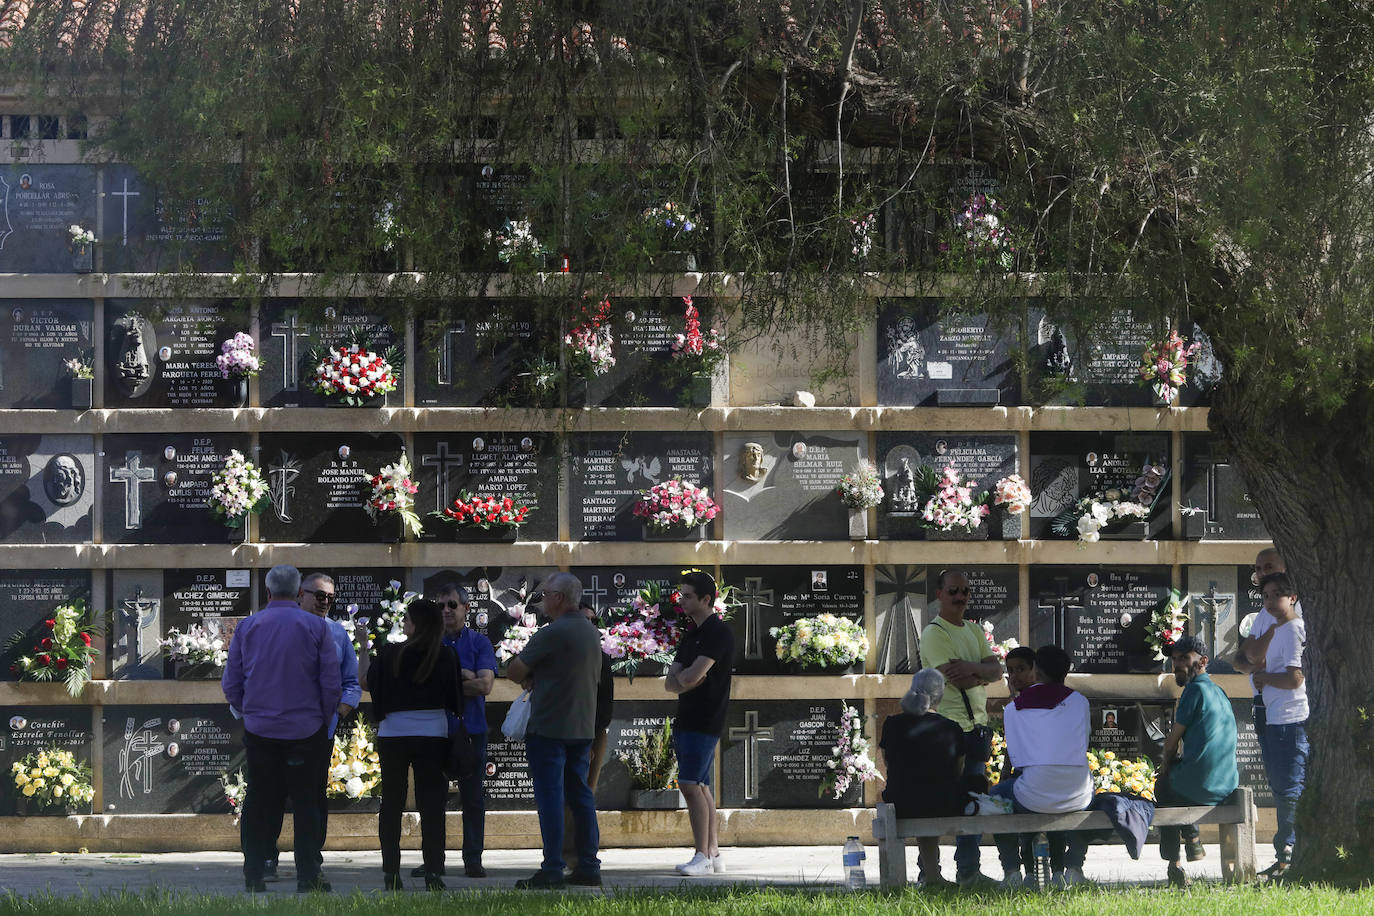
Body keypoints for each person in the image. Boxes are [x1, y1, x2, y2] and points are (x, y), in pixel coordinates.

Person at [221, 564, 341, 894]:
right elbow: (331, 684)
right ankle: (308, 875)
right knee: (307, 803)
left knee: (259, 799)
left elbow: (231, 683)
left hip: (261, 730)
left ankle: (254, 873)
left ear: (268, 592)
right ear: (300, 593)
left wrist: (251, 710)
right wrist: (322, 716)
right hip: (306, 730)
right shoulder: (317, 628)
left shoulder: (248, 627)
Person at [506, 572, 603, 889]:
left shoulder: (552, 632)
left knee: (550, 798)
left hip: (549, 726)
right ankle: (589, 864)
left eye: (546, 593)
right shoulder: (590, 632)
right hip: (582, 726)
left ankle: (552, 868)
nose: (542, 598)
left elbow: (514, 670)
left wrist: (532, 671)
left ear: (559, 598)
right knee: (581, 796)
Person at [264, 573, 361, 882]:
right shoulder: (274, 629)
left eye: (331, 598)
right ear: (299, 595)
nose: (326, 603)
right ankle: (267, 856)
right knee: (273, 794)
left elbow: (351, 683)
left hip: (319, 730)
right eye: (320, 596)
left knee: (314, 797)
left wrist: (339, 711)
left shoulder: (337, 634)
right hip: (277, 728)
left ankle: (310, 860)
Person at [368, 598, 463, 892]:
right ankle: (434, 872)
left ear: (418, 623)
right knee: (432, 805)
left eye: (408, 619)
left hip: (393, 733)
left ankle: (391, 873)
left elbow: (372, 685)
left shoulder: (390, 653)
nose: (404, 624)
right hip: (432, 733)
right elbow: (455, 698)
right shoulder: (445, 656)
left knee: (393, 802)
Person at [918, 570, 1003, 888]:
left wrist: (974, 669)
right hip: (947, 730)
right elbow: (961, 679)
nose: (960, 596)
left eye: (965, 591)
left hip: (977, 730)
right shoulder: (935, 633)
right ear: (939, 594)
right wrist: (980, 672)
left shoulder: (974, 629)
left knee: (974, 800)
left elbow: (997, 670)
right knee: (939, 801)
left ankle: (968, 870)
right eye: (953, 590)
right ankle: (930, 873)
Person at [409, 584, 496, 880]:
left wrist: (446, 682)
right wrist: (463, 676)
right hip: (433, 730)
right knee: (432, 800)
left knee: (473, 799)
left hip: (471, 731)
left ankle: (473, 858)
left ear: (466, 609)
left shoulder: (480, 643)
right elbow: (419, 684)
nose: (446, 610)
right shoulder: (426, 643)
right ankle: (434, 860)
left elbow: (485, 686)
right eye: (441, 605)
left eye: (452, 605)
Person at [991, 645, 1094, 889]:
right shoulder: (1080, 702)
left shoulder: (1015, 708)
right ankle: (1072, 867)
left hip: (1032, 794)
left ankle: (1012, 872)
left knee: (996, 797)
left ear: (1036, 671)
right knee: (1095, 800)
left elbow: (1016, 758)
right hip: (1078, 793)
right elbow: (1083, 743)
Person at [664, 571, 734, 877]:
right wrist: (687, 678)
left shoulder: (718, 633)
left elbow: (691, 677)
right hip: (687, 716)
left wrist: (687, 678)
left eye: (688, 595)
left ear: (706, 599)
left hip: (705, 717)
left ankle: (702, 855)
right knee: (701, 785)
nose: (682, 600)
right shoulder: (691, 634)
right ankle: (713, 853)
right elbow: (672, 682)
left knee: (690, 785)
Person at [1156, 635, 1239, 888]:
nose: (1177, 666)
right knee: (1181, 777)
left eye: (1184, 658)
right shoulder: (1218, 690)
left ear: (1202, 661)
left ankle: (1175, 865)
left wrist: (1164, 764)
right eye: (1174, 660)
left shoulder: (1194, 690)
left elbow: (1172, 742)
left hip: (1203, 787)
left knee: (1163, 786)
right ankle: (1192, 840)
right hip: (1227, 786)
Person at [879, 668, 968, 888]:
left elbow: (888, 762)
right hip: (944, 803)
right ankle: (934, 875)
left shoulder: (891, 723)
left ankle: (931, 875)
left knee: (918, 794)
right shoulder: (952, 728)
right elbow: (958, 770)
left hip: (901, 801)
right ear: (940, 695)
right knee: (932, 794)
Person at [1252, 572, 1308, 879]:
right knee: (1279, 785)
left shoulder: (1292, 629)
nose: (1271, 602)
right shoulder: (1277, 628)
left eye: (1277, 595)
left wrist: (1264, 679)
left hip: (1290, 719)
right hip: (1274, 717)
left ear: (1292, 598)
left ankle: (1288, 852)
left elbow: (1295, 678)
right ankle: (1283, 852)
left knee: (1288, 787)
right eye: (1266, 597)